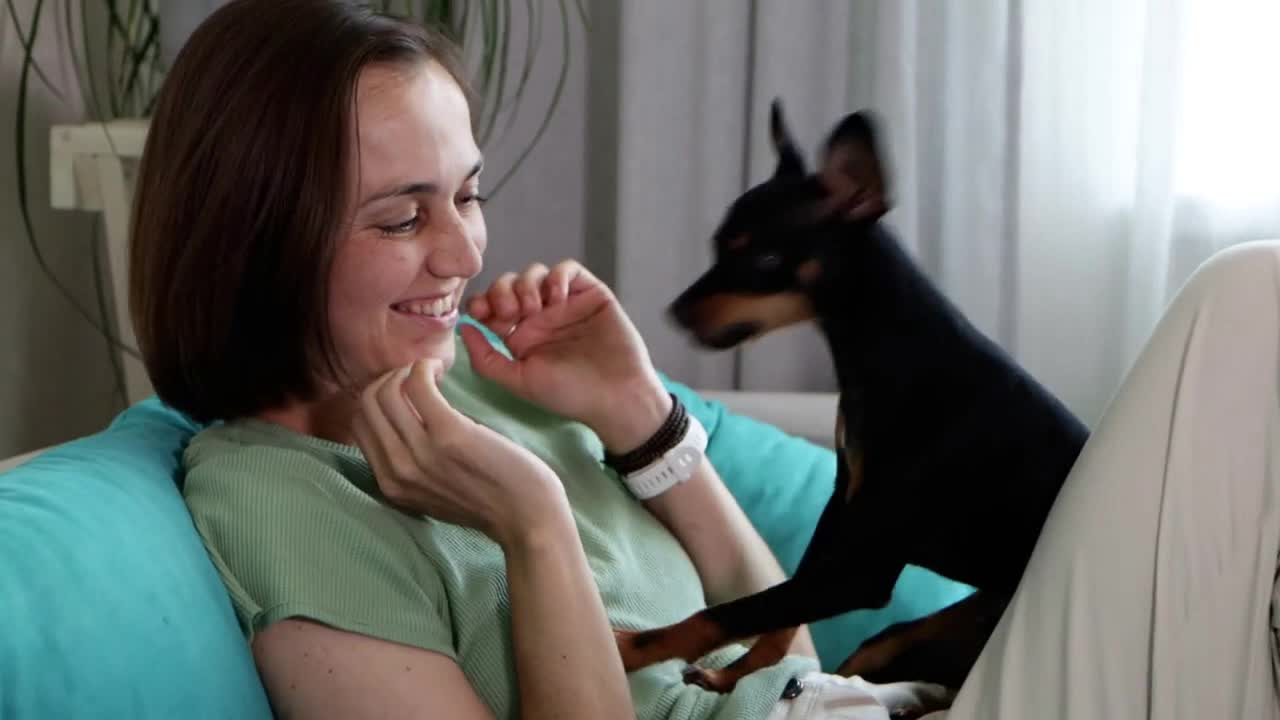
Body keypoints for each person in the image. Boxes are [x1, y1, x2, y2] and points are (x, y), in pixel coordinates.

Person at [129, 1, 1280, 719]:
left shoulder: (494, 381)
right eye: (399, 216)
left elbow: (777, 651)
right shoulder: (272, 498)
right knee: (1244, 306)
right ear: (257, 236)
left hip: (868, 704)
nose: (463, 250)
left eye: (468, 195)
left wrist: (640, 422)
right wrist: (533, 525)